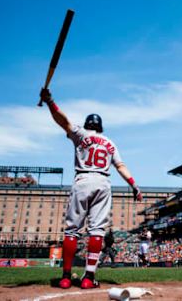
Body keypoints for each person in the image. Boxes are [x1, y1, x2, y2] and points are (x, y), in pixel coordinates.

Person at [40, 88, 142, 289]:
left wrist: (50, 101)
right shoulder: (110, 143)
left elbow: (63, 121)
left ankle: (66, 277)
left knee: (72, 230)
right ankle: (88, 278)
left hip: (83, 179)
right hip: (103, 183)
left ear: (87, 124)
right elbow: (121, 166)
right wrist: (134, 185)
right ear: (101, 127)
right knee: (97, 231)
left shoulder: (81, 134)